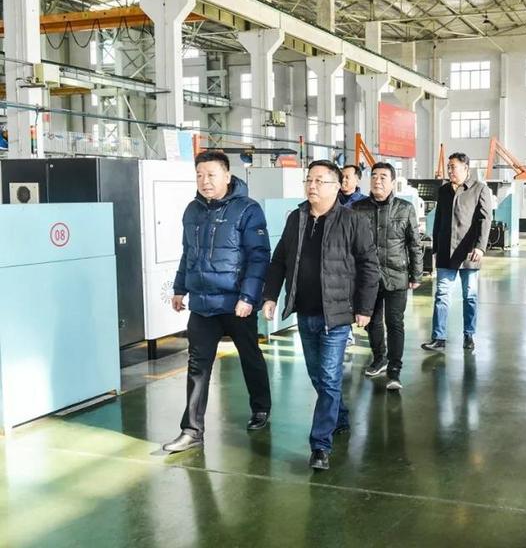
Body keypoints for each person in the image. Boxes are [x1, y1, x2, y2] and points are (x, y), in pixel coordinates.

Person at [262, 160, 379, 471]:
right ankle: (340, 415)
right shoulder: (296, 218)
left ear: (337, 186)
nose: (311, 186)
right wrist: (270, 296)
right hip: (305, 312)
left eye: (319, 181)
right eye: (309, 180)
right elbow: (279, 260)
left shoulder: (352, 221)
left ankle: (320, 445)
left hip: (336, 315)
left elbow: (369, 266)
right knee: (318, 376)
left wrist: (365, 308)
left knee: (328, 378)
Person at [163, 150, 272, 453]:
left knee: (250, 356)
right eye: (199, 175)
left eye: (211, 175)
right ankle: (191, 430)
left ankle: (261, 407)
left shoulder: (248, 210)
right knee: (197, 366)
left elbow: (259, 257)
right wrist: (179, 288)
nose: (205, 181)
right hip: (202, 304)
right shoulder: (192, 210)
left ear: (227, 175)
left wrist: (248, 296)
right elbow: (188, 252)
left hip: (236, 304)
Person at [353, 162, 424, 390]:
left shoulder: (405, 208)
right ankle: (379, 358)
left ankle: (394, 370)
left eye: (383, 177)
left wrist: (416, 274)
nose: (377, 180)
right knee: (372, 322)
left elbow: (415, 244)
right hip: (367, 278)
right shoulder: (357, 208)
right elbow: (350, 244)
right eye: (374, 176)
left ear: (393, 182)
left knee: (394, 323)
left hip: (396, 274)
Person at [420, 152, 492, 352]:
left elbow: (485, 220)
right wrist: (435, 248)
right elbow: (438, 220)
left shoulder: (479, 189)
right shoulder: (443, 190)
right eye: (449, 167)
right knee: (442, 294)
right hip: (445, 250)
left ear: (466, 168)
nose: (450, 170)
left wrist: (480, 247)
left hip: (469, 252)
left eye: (453, 167)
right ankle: (439, 338)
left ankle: (469, 335)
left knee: (470, 295)